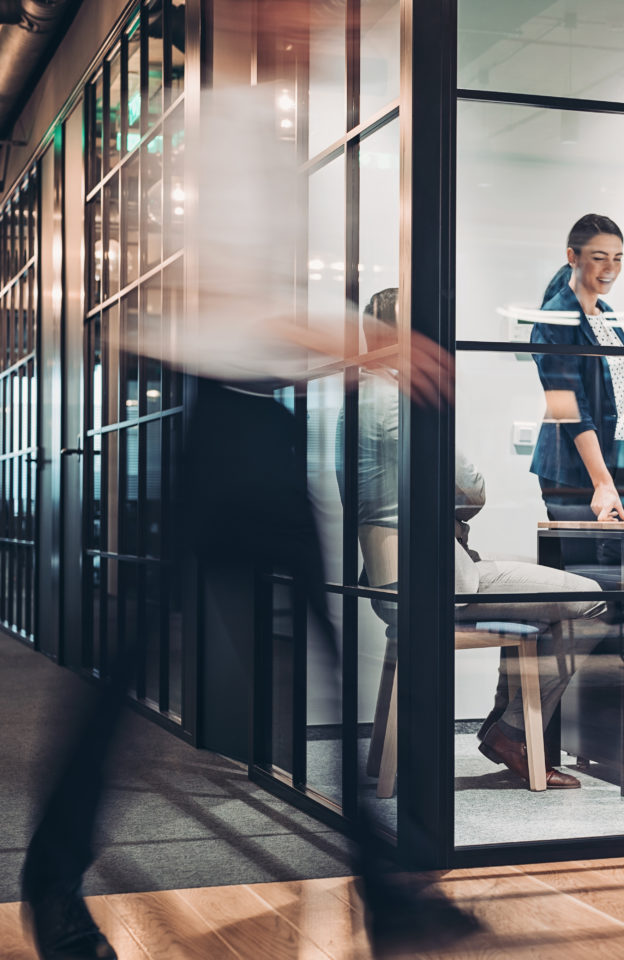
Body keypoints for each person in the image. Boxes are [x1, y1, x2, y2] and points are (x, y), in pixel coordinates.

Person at [20, 78, 476, 960]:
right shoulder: (228, 129)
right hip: (225, 424)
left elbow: (264, 326)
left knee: (320, 648)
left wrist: (335, 351)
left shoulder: (265, 128)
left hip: (258, 419)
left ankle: (387, 895)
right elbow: (239, 310)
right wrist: (370, 340)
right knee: (131, 677)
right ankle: (51, 874)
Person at [344, 288, 607, 790]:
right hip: (438, 578)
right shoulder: (405, 401)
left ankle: (501, 727)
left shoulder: (354, 402)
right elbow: (472, 490)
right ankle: (508, 730)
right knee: (588, 599)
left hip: (388, 579)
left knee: (534, 597)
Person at [529, 214, 624, 525]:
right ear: (572, 257)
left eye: (618, 259)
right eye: (599, 258)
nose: (611, 269)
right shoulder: (555, 318)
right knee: (586, 572)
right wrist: (602, 482)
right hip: (575, 471)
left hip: (615, 464)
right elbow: (569, 405)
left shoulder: (607, 315)